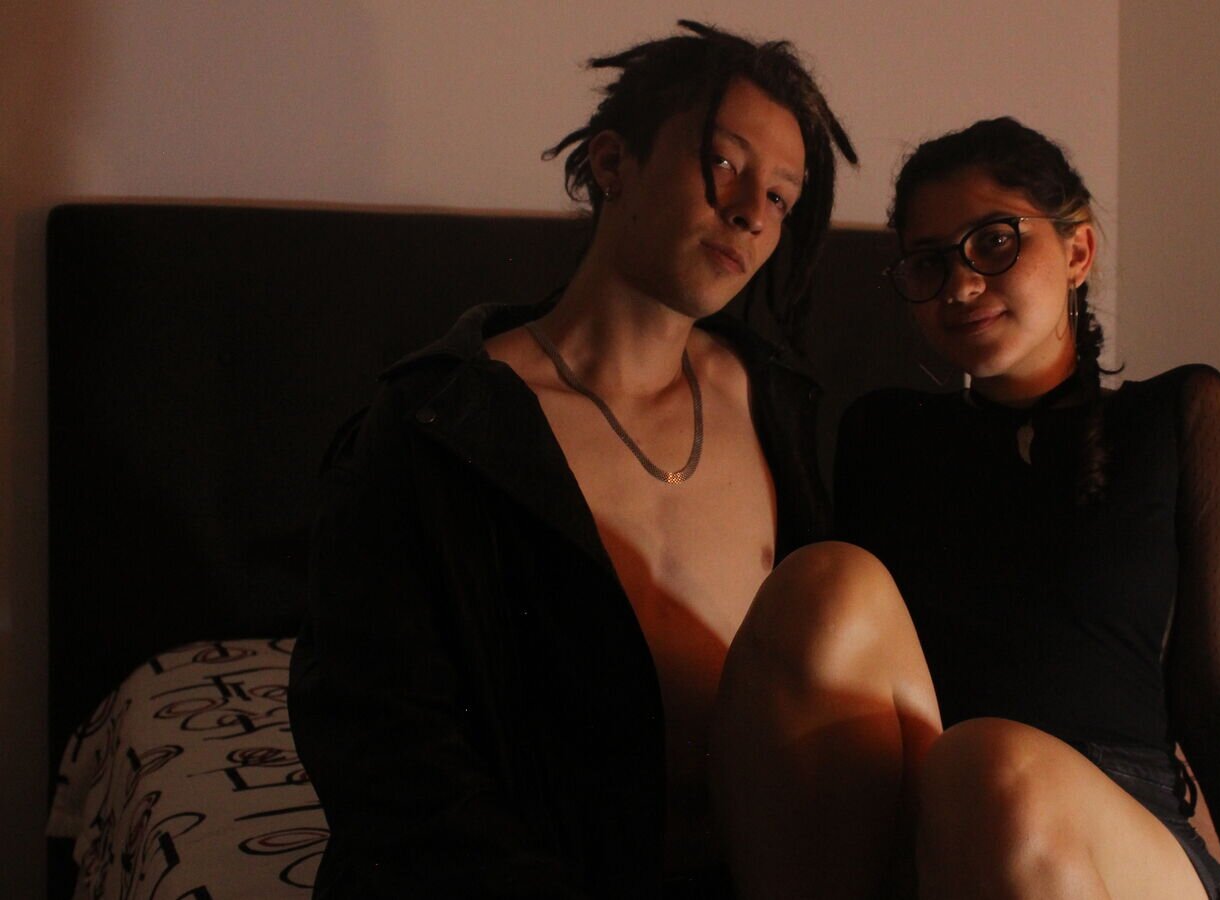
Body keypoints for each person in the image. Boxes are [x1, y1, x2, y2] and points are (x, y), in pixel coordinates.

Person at [288, 21, 854, 899]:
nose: (752, 211)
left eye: (782, 197)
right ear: (612, 162)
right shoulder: (443, 422)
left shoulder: (778, 405)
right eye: (726, 162)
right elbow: (383, 743)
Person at [714, 118, 1220, 899]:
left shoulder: (1181, 415)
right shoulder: (883, 433)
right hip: (934, 818)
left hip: (1120, 830)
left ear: (1077, 252)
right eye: (929, 262)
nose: (959, 287)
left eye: (993, 243)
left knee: (992, 765)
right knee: (821, 583)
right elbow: (836, 681)